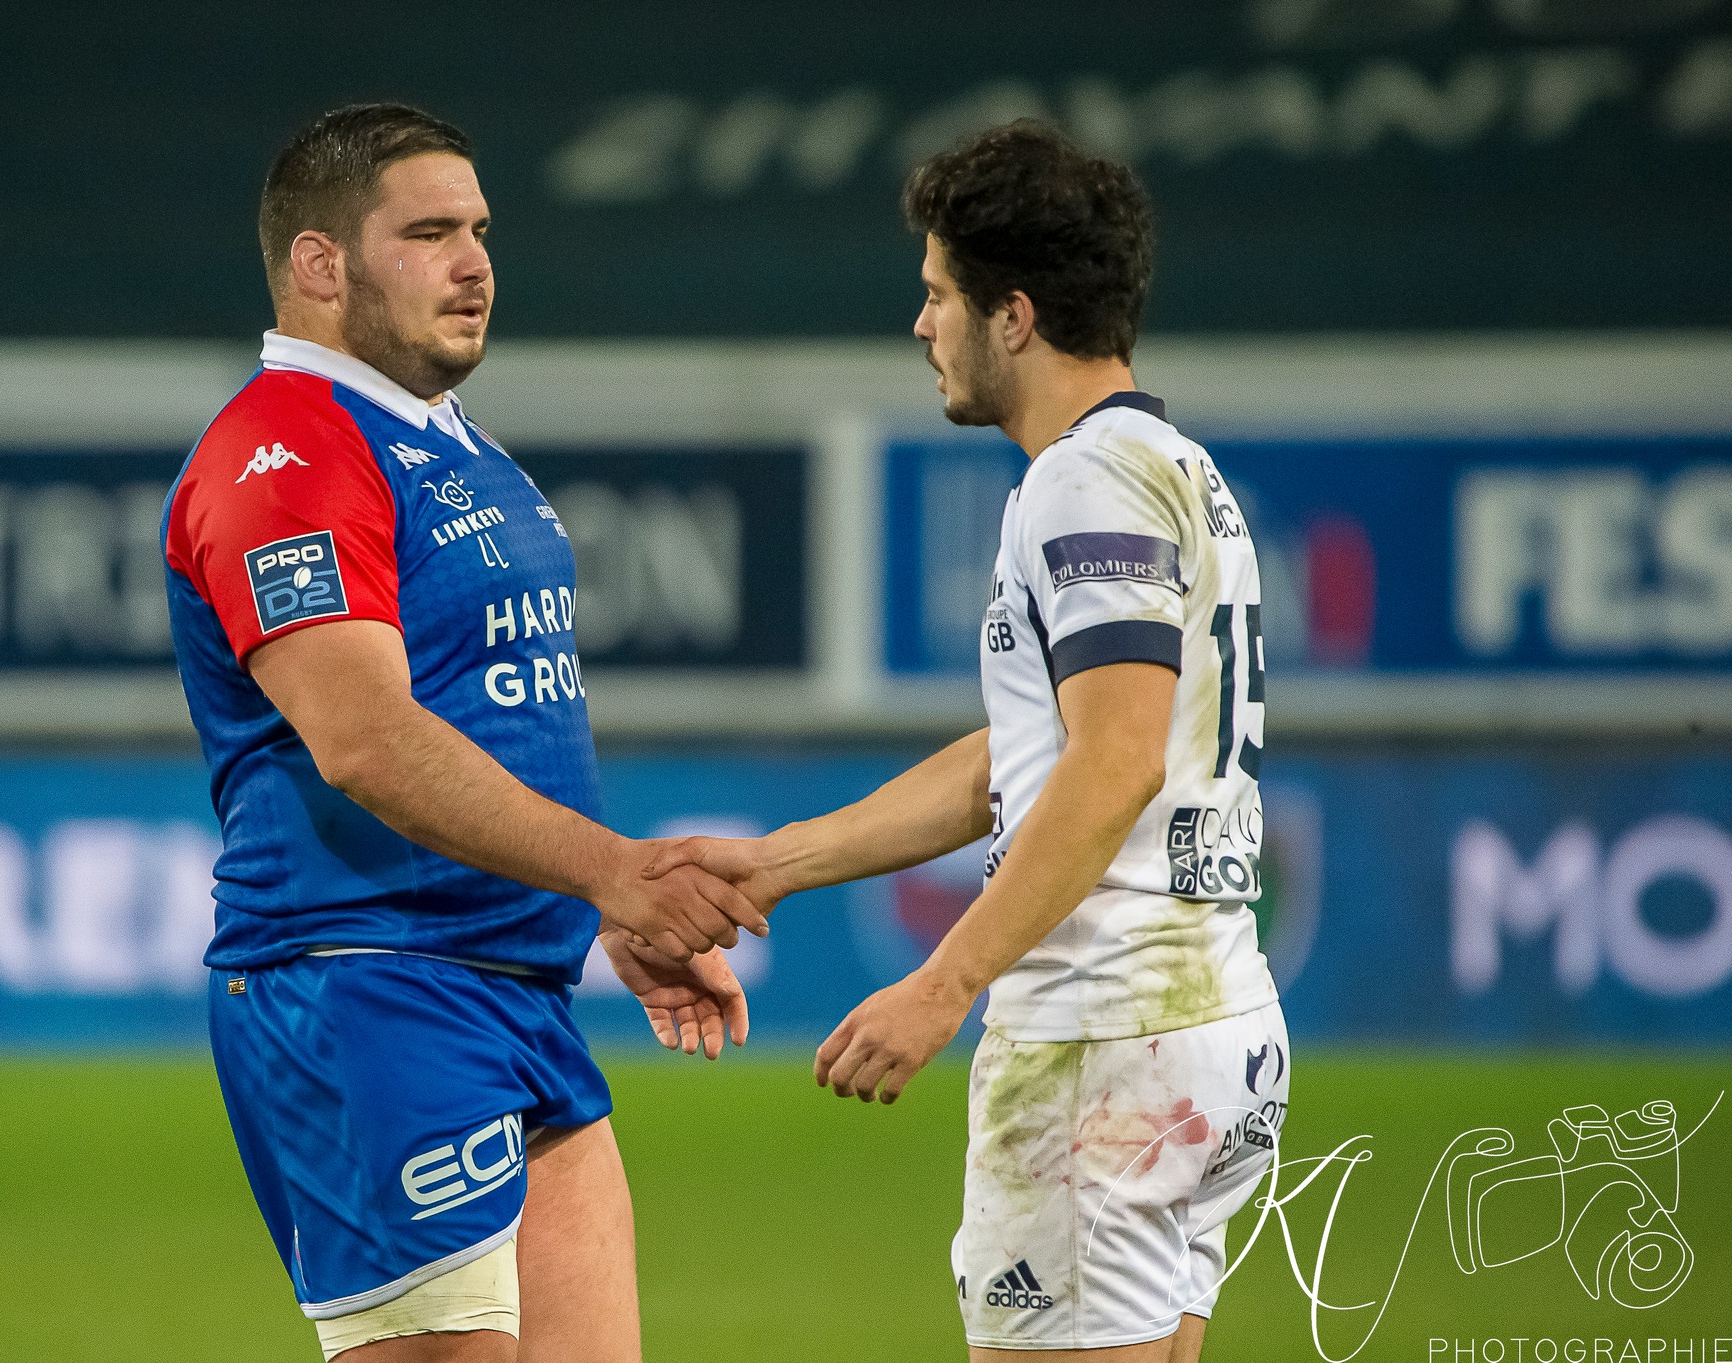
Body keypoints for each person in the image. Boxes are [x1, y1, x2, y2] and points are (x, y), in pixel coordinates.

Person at [646, 120, 1289, 1360]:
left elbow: (1113, 761)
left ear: (1014, 315)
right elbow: (1023, 755)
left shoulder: (1082, 483)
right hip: (1209, 1024)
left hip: (1101, 1038)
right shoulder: (1171, 467)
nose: (919, 323)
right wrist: (777, 861)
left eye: (938, 293)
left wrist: (941, 984)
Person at [161, 102, 763, 1363]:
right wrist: (617, 871)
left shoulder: (448, 445)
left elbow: (500, 715)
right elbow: (366, 738)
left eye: (478, 228)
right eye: (428, 232)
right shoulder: (285, 450)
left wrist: (599, 905)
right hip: (367, 986)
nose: (474, 260)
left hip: (517, 988)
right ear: (320, 264)